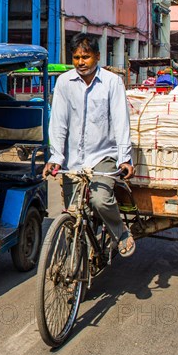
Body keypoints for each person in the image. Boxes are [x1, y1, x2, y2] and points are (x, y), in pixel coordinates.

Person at [43, 33, 136, 257]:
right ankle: (76, 267)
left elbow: (121, 121)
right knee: (73, 213)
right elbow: (58, 123)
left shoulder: (112, 82)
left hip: (103, 156)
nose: (80, 62)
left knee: (100, 200)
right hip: (73, 158)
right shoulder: (64, 82)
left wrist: (124, 158)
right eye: (76, 57)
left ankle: (120, 232)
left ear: (97, 56)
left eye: (85, 57)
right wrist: (56, 157)